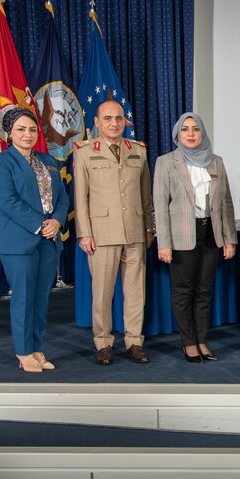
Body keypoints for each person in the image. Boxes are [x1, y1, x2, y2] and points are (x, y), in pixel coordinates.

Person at [0, 107, 69, 373]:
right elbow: (8, 201)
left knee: (40, 298)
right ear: (9, 133)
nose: (28, 134)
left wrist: (56, 221)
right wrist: (40, 225)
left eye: (32, 129)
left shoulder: (49, 161)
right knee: (23, 297)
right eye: (21, 129)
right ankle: (23, 352)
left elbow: (63, 197)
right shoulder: (0, 162)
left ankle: (36, 348)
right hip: (18, 241)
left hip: (49, 239)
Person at [74, 99, 154, 366]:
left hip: (134, 232)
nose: (114, 123)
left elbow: (145, 195)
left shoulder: (138, 151)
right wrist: (84, 233)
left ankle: (134, 342)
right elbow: (81, 198)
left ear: (125, 122)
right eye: (107, 119)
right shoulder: (84, 153)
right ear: (96, 122)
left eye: (119, 118)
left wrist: (148, 228)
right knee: (102, 293)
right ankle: (104, 343)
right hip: (102, 233)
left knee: (135, 293)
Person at [153, 112, 237, 362]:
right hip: (181, 237)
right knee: (183, 291)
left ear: (203, 133)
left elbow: (225, 203)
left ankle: (202, 340)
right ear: (178, 135)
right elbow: (160, 205)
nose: (190, 134)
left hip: (211, 234)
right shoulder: (166, 162)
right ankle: (188, 343)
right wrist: (164, 244)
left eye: (195, 129)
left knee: (204, 290)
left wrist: (230, 237)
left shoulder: (216, 161)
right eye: (185, 130)